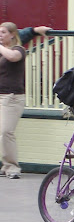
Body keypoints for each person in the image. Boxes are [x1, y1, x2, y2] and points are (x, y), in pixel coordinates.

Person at [0, 22, 26, 179]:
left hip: (12, 97)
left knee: (5, 132)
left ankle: (13, 167)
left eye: (3, 32)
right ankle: (5, 165)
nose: (0, 35)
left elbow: (12, 57)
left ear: (12, 35)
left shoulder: (18, 50)